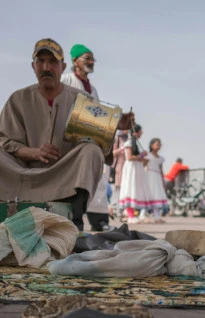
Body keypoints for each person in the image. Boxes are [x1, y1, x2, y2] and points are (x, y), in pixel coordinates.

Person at [0, 38, 134, 232]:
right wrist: (34, 153)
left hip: (64, 173)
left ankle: (73, 219)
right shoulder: (18, 99)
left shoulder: (81, 98)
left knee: (91, 151)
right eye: (41, 62)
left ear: (63, 66)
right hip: (23, 172)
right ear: (33, 66)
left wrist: (114, 126)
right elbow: (5, 140)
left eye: (52, 62)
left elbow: (96, 137)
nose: (47, 67)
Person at [61, 43, 112, 232]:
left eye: (92, 59)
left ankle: (99, 221)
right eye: (87, 58)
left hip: (90, 140)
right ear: (75, 61)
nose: (91, 62)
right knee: (74, 182)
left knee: (97, 180)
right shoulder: (65, 80)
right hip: (69, 141)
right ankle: (72, 223)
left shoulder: (94, 89)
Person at [119, 124, 151, 224]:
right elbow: (129, 157)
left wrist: (143, 158)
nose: (141, 134)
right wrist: (141, 155)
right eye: (140, 132)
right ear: (135, 132)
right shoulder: (128, 143)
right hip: (131, 169)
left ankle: (133, 214)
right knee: (130, 190)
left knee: (135, 191)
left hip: (136, 169)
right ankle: (130, 215)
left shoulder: (135, 143)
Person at [146, 138, 168, 223]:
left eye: (160, 144)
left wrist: (163, 180)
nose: (159, 146)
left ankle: (157, 216)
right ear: (152, 145)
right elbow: (143, 165)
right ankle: (142, 214)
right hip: (149, 176)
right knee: (148, 196)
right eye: (157, 144)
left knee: (157, 196)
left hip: (157, 177)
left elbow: (161, 170)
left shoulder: (161, 158)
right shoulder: (148, 156)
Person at [109, 130, 129, 220]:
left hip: (125, 168)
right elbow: (112, 153)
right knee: (116, 190)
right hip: (117, 168)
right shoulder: (117, 138)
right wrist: (122, 149)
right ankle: (113, 210)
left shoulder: (127, 138)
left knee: (122, 190)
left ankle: (118, 211)